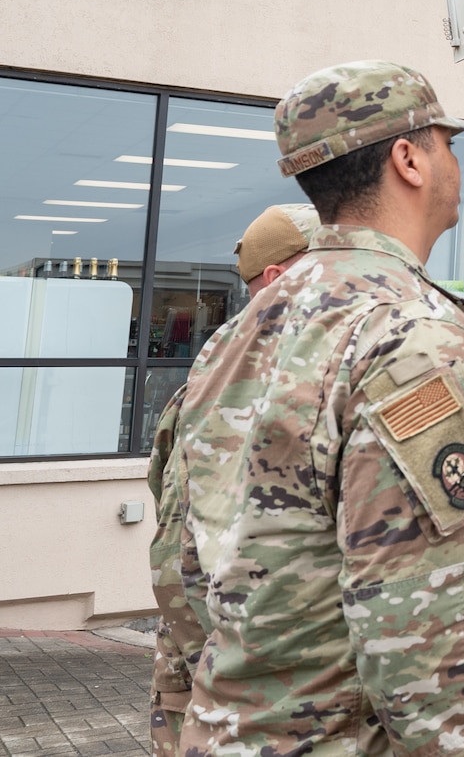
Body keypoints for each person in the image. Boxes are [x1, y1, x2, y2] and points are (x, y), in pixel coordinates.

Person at [165, 61, 464, 757]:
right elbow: (415, 628)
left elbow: (180, 566)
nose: (456, 164)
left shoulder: (234, 338)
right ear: (408, 158)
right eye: (448, 143)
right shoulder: (412, 336)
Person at [144, 203, 321, 757]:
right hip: (245, 702)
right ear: (277, 280)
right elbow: (183, 558)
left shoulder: (234, 372)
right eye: (327, 266)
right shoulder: (251, 387)